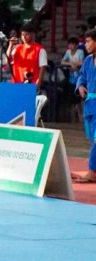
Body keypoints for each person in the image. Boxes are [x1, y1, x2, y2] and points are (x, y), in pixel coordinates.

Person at [74, 29, 96, 183]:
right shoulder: (88, 60)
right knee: (93, 139)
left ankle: (92, 171)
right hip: (90, 105)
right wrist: (80, 86)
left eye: (88, 41)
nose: (85, 45)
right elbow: (81, 76)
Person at [7, 23, 48, 91]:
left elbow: (42, 68)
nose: (24, 37)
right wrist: (10, 45)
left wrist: (38, 84)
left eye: (27, 34)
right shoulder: (17, 48)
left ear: (33, 34)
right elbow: (8, 57)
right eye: (22, 35)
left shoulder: (40, 49)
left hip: (31, 85)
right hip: (15, 84)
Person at [62, 36, 85, 122]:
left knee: (78, 100)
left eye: (72, 44)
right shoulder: (68, 52)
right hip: (71, 79)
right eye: (69, 44)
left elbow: (82, 61)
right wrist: (71, 64)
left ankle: (80, 118)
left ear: (76, 45)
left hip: (79, 78)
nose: (70, 46)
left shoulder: (80, 52)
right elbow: (62, 61)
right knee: (72, 100)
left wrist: (76, 65)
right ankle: (72, 120)